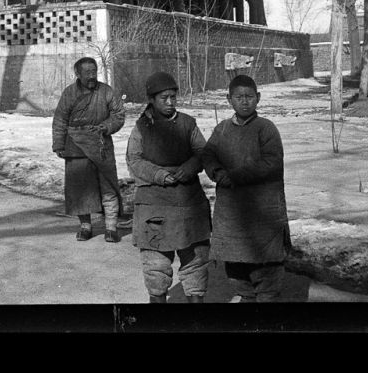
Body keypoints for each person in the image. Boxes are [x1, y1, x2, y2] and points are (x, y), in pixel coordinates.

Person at [202, 75, 296, 302]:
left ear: (258, 98)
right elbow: (208, 154)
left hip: (263, 214)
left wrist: (233, 176)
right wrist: (216, 172)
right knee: (238, 274)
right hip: (232, 215)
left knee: (267, 278)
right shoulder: (222, 129)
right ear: (229, 100)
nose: (245, 102)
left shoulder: (266, 129)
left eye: (250, 97)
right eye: (239, 97)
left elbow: (271, 162)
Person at [125, 71, 211, 304]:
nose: (171, 102)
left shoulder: (187, 124)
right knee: (156, 265)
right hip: (154, 205)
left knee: (195, 260)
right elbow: (134, 160)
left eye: (173, 97)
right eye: (164, 98)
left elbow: (203, 152)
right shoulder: (141, 127)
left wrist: (190, 167)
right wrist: (159, 174)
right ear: (151, 99)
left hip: (189, 203)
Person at [52, 57, 132, 243]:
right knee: (80, 189)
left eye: (93, 71)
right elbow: (60, 120)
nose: (91, 76)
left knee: (108, 186)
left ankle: (111, 227)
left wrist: (106, 127)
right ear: (77, 74)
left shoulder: (106, 91)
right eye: (86, 72)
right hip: (75, 146)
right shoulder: (69, 93)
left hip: (101, 144)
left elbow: (118, 115)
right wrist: (58, 144)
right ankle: (85, 226)